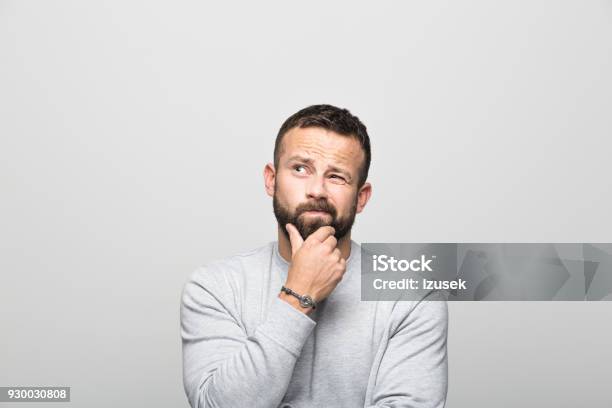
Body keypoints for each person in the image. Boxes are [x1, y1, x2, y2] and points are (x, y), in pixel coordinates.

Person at [181, 104, 448, 408]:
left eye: (336, 176)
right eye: (300, 169)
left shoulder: (413, 296)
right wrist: (298, 296)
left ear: (361, 198)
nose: (317, 190)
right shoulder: (215, 286)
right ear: (271, 180)